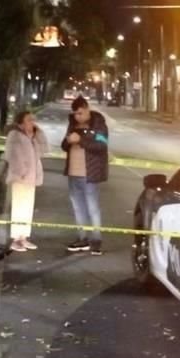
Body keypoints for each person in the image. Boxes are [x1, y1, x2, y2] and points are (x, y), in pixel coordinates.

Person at [61, 96, 109, 255]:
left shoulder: (99, 125)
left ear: (87, 109)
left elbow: (101, 146)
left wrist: (81, 140)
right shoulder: (72, 125)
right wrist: (69, 141)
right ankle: (82, 238)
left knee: (92, 207)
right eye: (75, 113)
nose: (77, 117)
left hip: (90, 173)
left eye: (80, 113)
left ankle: (96, 240)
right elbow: (64, 145)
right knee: (78, 207)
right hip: (73, 173)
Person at [3, 110, 48, 252]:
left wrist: (38, 132)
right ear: (21, 123)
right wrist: (21, 171)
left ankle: (24, 237)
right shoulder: (14, 135)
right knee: (19, 207)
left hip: (32, 177)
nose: (32, 122)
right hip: (20, 177)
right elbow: (10, 155)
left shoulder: (33, 136)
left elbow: (45, 149)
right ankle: (15, 239)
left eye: (33, 119)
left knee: (28, 208)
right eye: (29, 120)